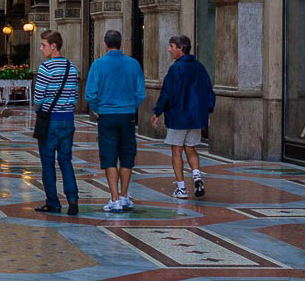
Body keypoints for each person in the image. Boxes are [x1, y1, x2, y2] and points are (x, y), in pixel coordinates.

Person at [84, 29, 147, 212]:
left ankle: (114, 199)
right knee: (127, 155)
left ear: (105, 44)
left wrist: (97, 109)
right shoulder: (134, 64)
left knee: (109, 156)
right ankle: (125, 195)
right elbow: (140, 93)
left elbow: (90, 93)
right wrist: (130, 106)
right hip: (127, 115)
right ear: (122, 44)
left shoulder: (98, 65)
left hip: (107, 115)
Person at [153, 34, 215, 199]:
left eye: (172, 46)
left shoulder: (175, 69)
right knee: (191, 148)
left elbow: (166, 93)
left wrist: (157, 112)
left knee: (176, 150)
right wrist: (207, 111)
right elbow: (209, 91)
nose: (169, 49)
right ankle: (197, 176)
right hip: (195, 117)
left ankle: (181, 188)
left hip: (178, 116)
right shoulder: (200, 67)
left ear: (181, 48)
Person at [33, 31, 80, 216]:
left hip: (50, 120)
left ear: (54, 46)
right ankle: (73, 199)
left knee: (48, 162)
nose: (41, 48)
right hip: (68, 119)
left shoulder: (46, 68)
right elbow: (75, 95)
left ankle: (53, 201)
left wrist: (39, 111)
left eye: (43, 45)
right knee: (66, 160)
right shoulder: (72, 67)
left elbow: (39, 97)